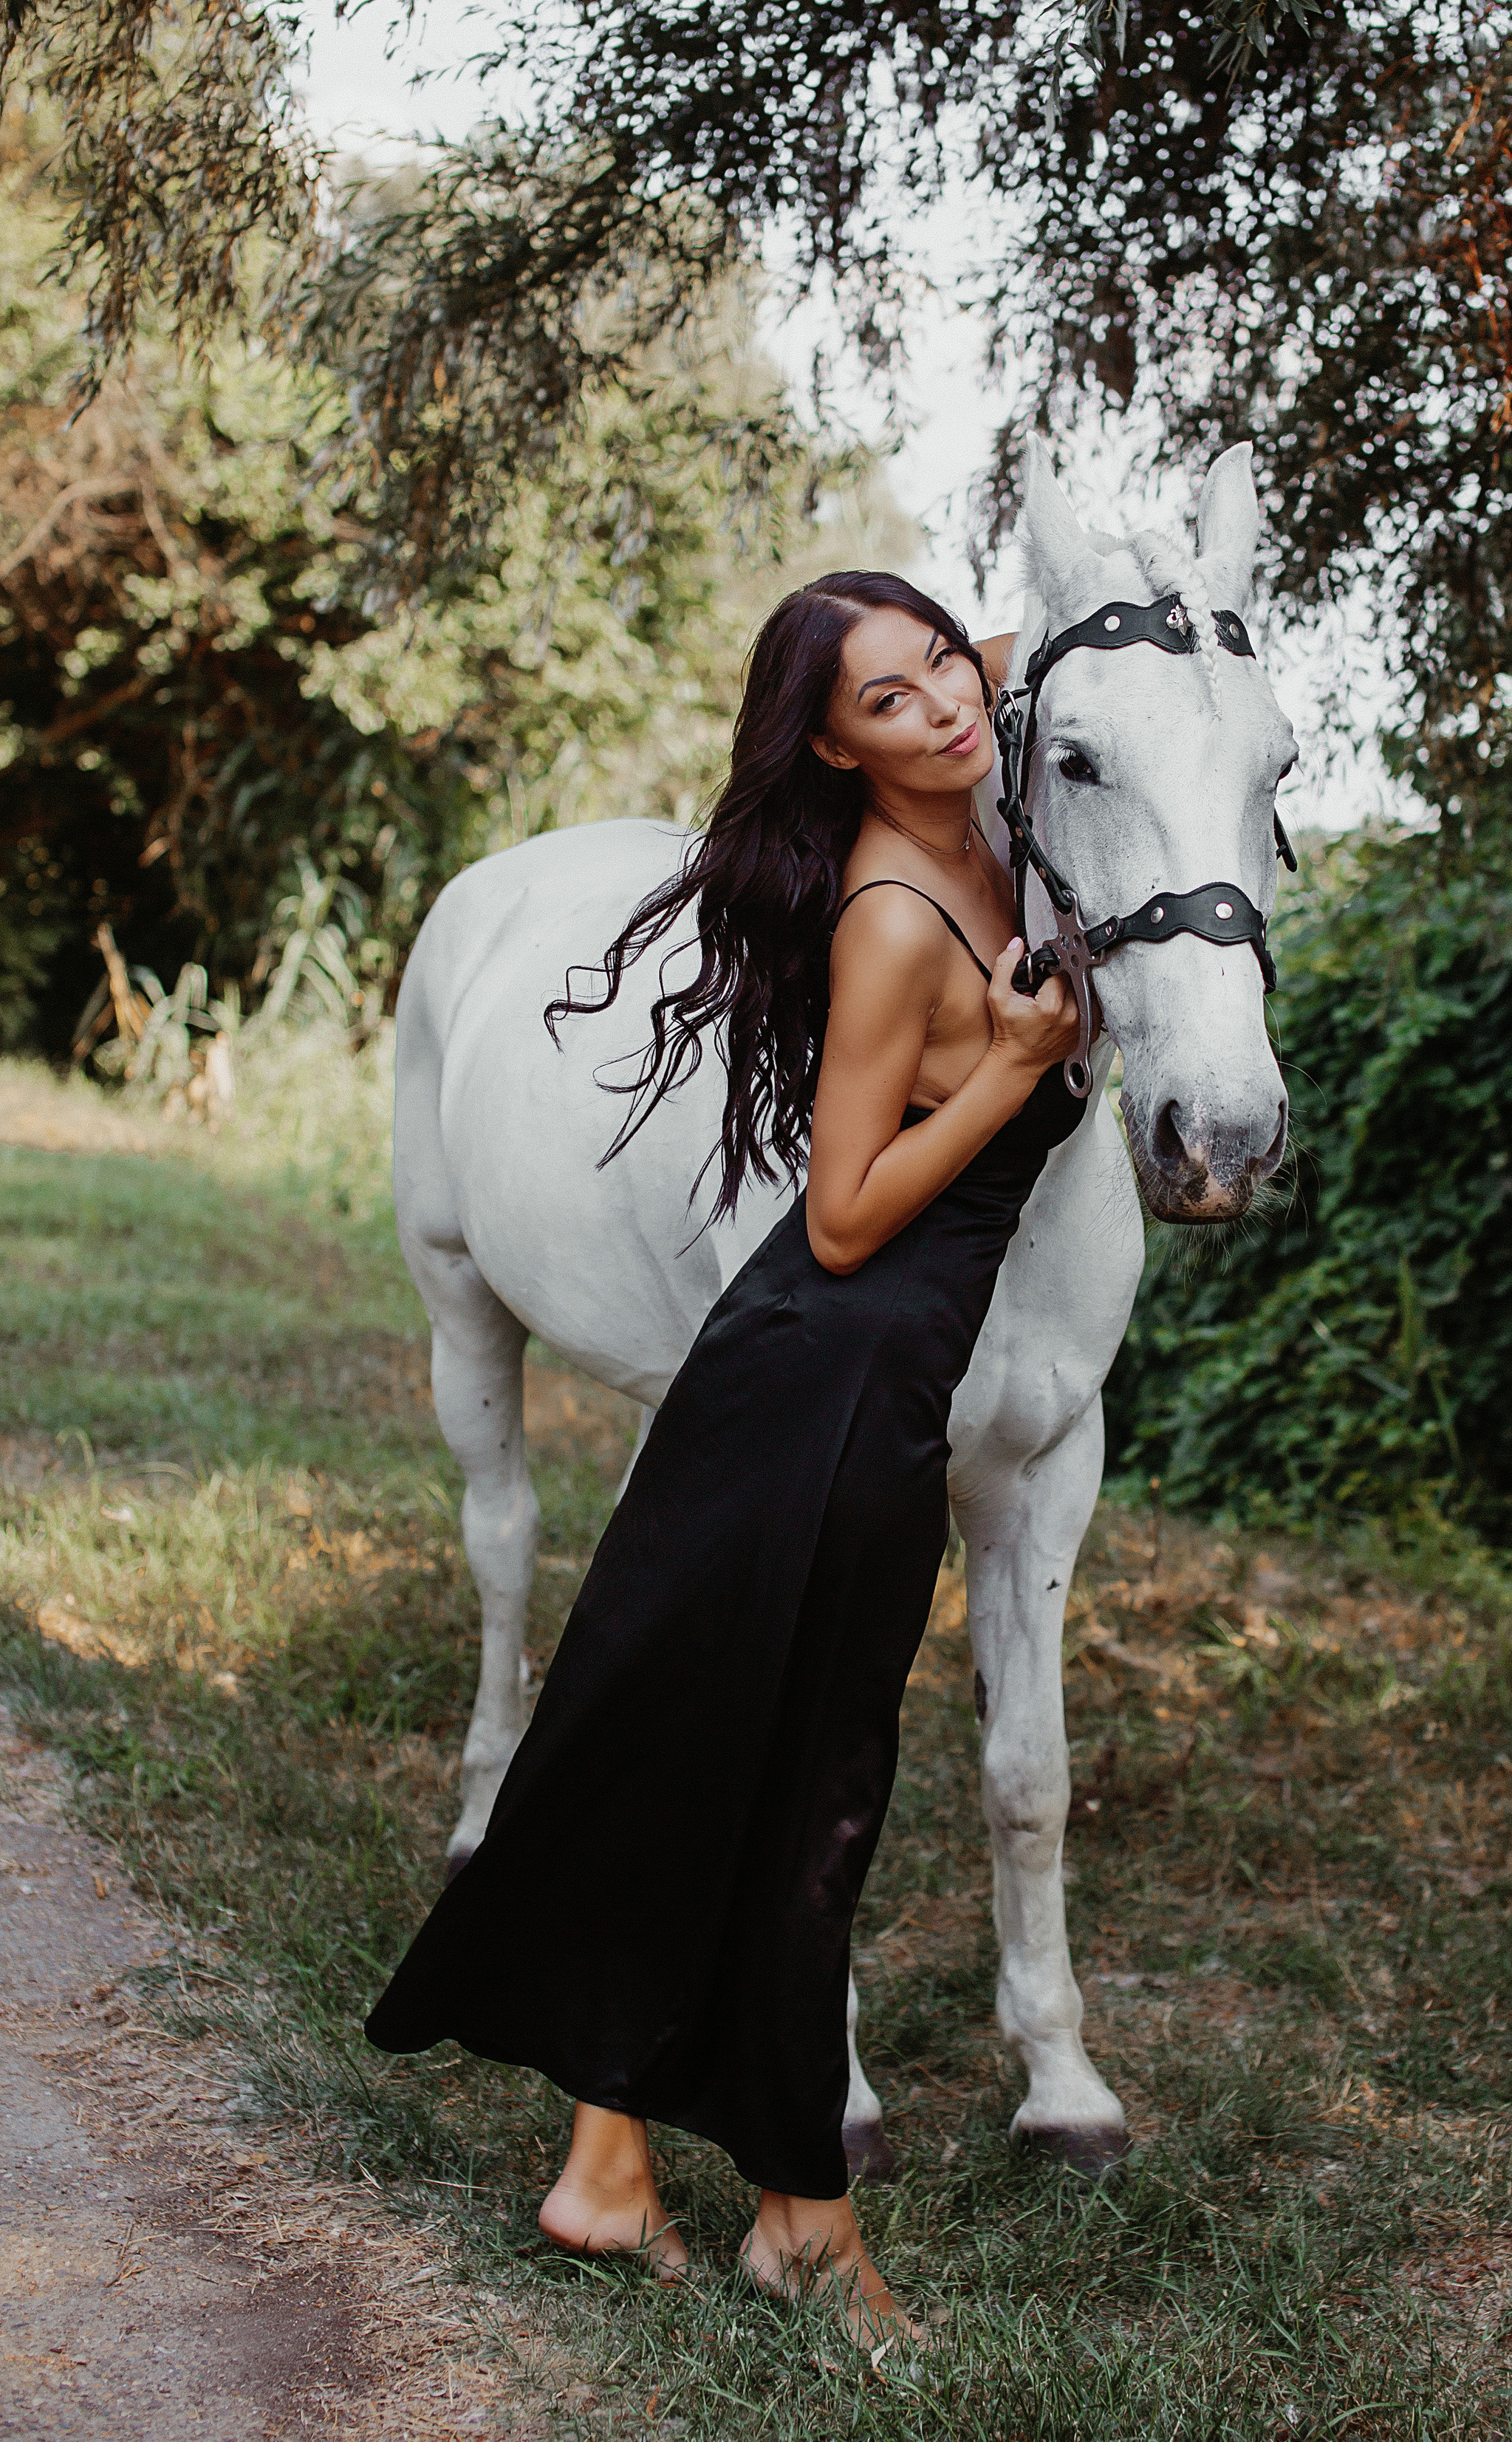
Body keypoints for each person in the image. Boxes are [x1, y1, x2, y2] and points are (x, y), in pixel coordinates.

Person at [365, 575, 1081, 2343]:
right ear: (832, 749)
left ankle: (604, 2175)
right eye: (888, 702)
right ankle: (801, 2229)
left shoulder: (986, 803)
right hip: (821, 1389)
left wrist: (1018, 649)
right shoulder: (897, 921)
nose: (938, 708)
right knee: (809, 1806)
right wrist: (1010, 1072)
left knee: (709, 1769)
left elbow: (1022, 663)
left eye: (941, 668)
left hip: (856, 1395)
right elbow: (839, 1221)